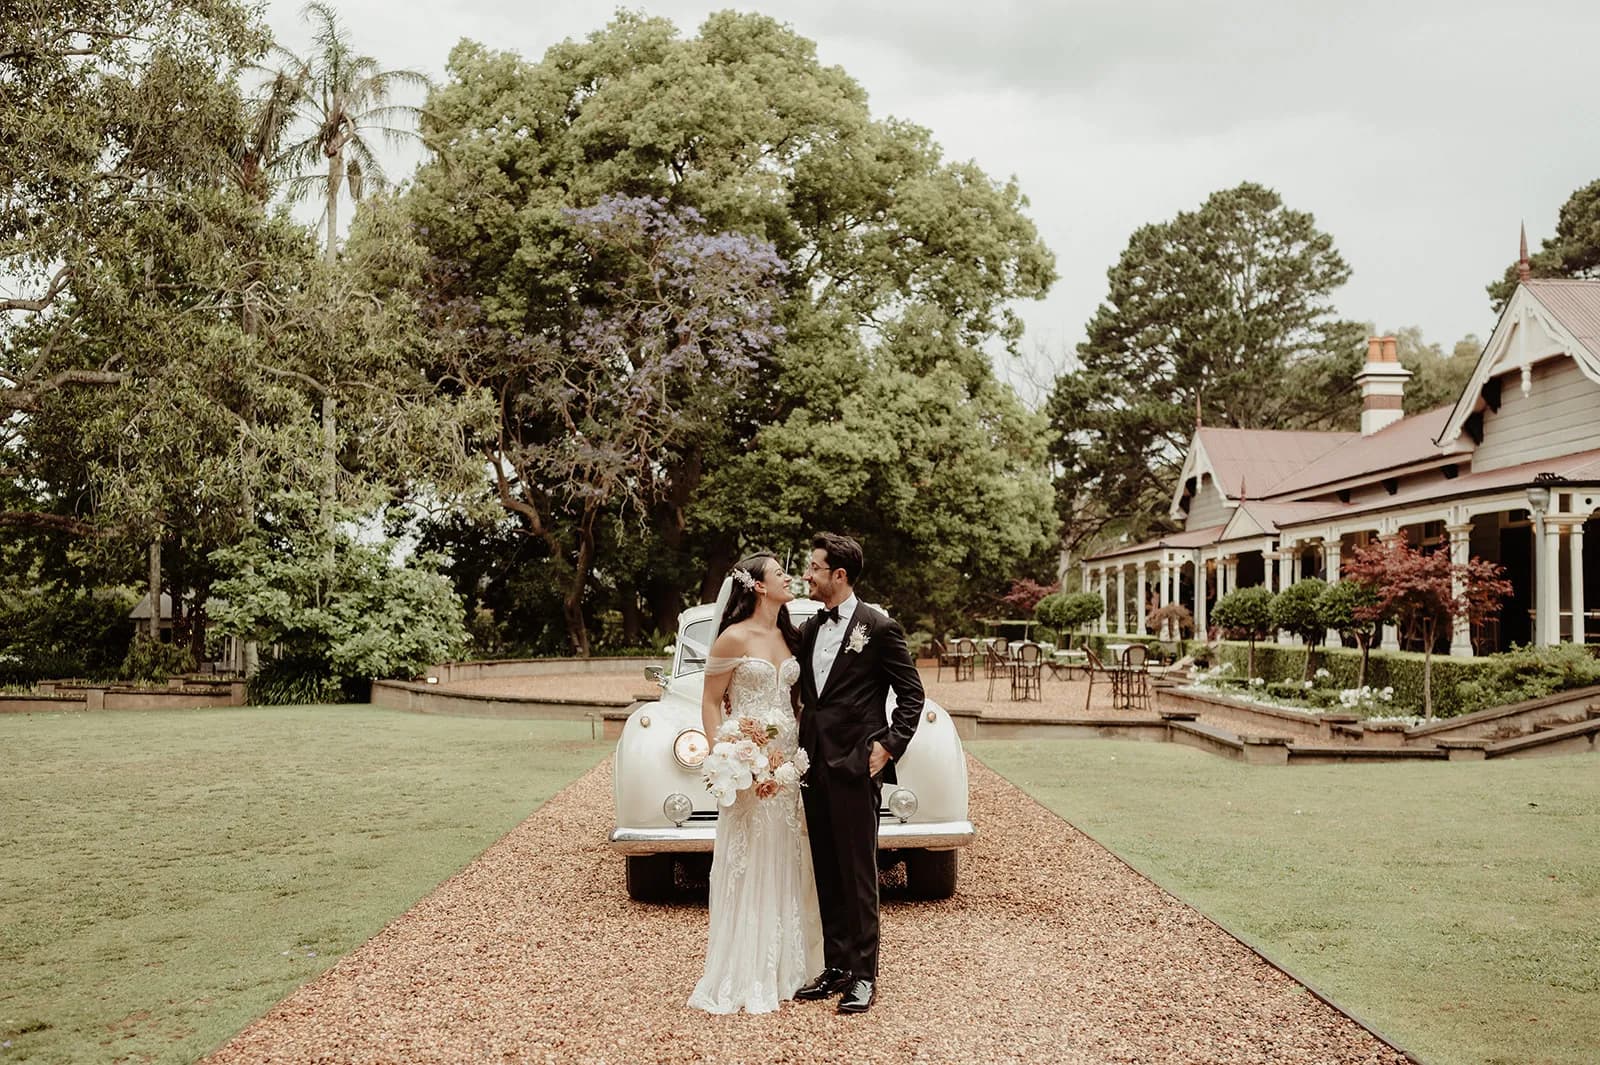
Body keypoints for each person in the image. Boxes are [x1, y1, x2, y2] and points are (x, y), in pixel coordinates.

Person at [687, 553, 824, 1014]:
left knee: (787, 854)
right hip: (746, 764)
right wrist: (723, 754)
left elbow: (798, 702)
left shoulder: (791, 636)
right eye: (780, 573)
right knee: (751, 860)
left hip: (786, 766)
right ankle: (745, 969)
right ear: (759, 586)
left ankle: (792, 966)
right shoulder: (734, 636)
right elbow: (710, 702)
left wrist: (793, 755)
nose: (789, 577)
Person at [792, 532, 923, 1014]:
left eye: (813, 567)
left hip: (854, 763)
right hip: (811, 764)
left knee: (858, 872)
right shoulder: (808, 629)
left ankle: (865, 977)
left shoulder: (880, 627)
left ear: (838, 575)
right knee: (825, 868)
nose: (807, 574)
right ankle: (837, 965)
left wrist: (887, 747)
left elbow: (912, 695)